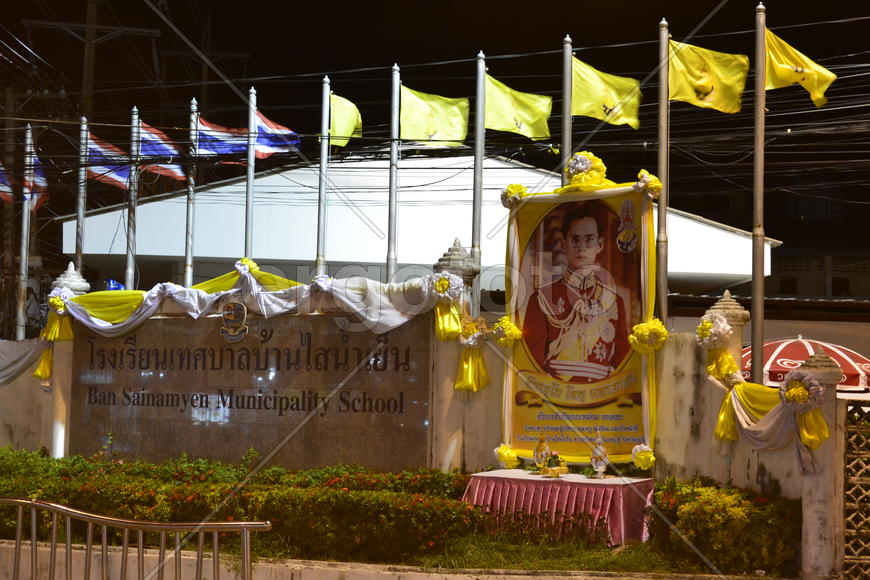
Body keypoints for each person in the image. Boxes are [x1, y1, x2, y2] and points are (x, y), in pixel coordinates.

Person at [523, 204, 630, 383]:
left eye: (589, 240)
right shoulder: (542, 298)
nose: (581, 247)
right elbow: (533, 360)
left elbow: (622, 358)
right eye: (575, 239)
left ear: (600, 245)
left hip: (602, 397)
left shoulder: (614, 301)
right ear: (564, 244)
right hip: (556, 396)